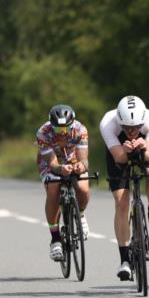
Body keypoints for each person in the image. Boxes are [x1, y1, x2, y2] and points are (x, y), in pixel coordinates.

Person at [100, 96, 149, 281]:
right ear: (119, 121)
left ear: (142, 122)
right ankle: (125, 260)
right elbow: (119, 159)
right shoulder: (108, 123)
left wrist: (143, 147)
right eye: (127, 128)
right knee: (121, 203)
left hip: (144, 150)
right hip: (119, 151)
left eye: (136, 127)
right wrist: (125, 150)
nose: (131, 131)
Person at [36, 104, 90, 262]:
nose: (62, 133)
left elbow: (84, 159)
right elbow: (52, 164)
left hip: (73, 159)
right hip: (50, 163)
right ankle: (55, 238)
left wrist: (81, 166)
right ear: (51, 126)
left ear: (72, 124)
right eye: (58, 129)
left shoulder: (81, 130)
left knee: (83, 188)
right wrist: (59, 169)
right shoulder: (43, 133)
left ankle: (80, 214)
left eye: (65, 129)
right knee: (53, 189)